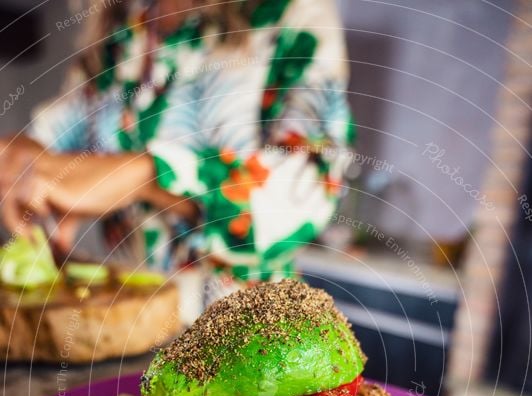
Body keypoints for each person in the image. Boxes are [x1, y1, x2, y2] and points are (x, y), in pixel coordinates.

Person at [0, 0, 354, 301]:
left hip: (247, 331)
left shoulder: (292, 15)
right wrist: (24, 158)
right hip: (127, 322)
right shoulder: (128, 23)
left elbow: (308, 191)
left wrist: (145, 177)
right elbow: (60, 136)